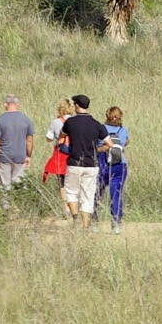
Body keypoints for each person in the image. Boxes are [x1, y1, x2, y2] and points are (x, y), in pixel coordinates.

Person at [59, 95, 107, 230]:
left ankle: (75, 219)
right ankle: (86, 226)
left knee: (71, 192)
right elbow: (108, 143)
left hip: (74, 162)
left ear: (77, 106)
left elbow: (62, 135)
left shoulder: (71, 122)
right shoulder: (96, 124)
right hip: (91, 164)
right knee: (88, 195)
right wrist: (97, 150)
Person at [0, 95, 36, 189]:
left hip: (4, 156)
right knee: (18, 185)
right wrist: (28, 155)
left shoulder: (0, 119)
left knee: (5, 186)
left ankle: (6, 204)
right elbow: (30, 140)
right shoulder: (26, 119)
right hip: (20, 156)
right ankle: (17, 203)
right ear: (17, 104)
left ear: (5, 104)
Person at [99, 106, 130, 232]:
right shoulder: (123, 130)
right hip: (120, 164)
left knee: (97, 194)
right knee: (116, 194)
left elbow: (98, 144)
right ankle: (116, 223)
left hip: (103, 163)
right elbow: (126, 142)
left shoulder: (102, 128)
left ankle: (94, 221)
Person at [42, 99, 72, 186]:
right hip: (74, 152)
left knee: (61, 179)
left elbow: (49, 138)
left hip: (60, 152)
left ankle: (63, 198)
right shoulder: (76, 120)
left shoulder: (55, 122)